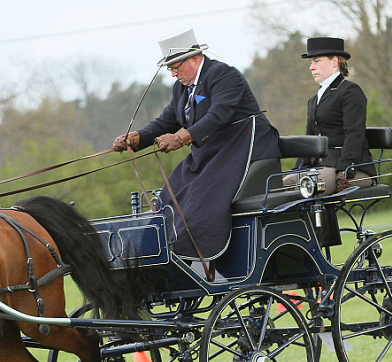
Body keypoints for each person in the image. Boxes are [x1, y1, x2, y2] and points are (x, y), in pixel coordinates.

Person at [112, 29, 280, 259]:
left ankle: (189, 254)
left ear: (194, 57)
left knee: (198, 202)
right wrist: (137, 137)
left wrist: (180, 138)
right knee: (169, 196)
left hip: (244, 148)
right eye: (170, 69)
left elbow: (217, 115)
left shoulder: (224, 75)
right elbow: (167, 120)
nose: (173, 74)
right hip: (211, 153)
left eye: (176, 67)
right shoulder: (181, 88)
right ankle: (160, 253)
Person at [287, 37, 375, 195]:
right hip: (320, 167)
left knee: (307, 188)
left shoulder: (350, 92)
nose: (311, 67)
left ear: (334, 61)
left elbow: (354, 134)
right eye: (310, 63)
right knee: (279, 186)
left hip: (353, 168)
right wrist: (297, 170)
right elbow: (310, 140)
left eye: (316, 61)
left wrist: (344, 170)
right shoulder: (313, 100)